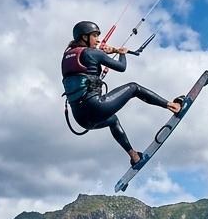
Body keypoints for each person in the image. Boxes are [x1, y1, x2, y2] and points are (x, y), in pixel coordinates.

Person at [62, 21, 183, 165]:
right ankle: (173, 106)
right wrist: (121, 53)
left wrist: (106, 52)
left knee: (113, 120)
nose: (98, 40)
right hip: (95, 107)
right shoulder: (91, 52)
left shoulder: (66, 57)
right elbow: (121, 67)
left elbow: (86, 69)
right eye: (95, 36)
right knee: (134, 88)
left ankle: (134, 156)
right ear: (84, 37)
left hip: (81, 119)